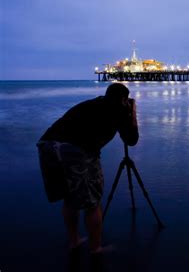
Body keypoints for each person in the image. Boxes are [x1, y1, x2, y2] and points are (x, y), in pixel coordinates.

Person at [37, 83, 139, 254]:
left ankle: (74, 240)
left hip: (47, 146)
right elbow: (132, 139)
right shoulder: (118, 111)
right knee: (93, 202)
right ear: (123, 100)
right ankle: (95, 248)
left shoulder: (92, 103)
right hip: (75, 150)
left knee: (69, 197)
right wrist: (133, 113)